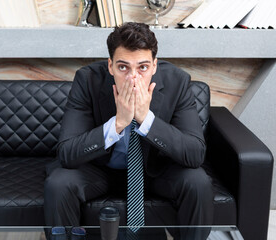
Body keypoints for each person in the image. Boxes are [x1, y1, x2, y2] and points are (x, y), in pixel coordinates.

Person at [44, 22, 214, 238]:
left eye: (142, 68)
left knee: (198, 182)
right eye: (123, 67)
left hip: (155, 170)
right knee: (59, 184)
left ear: (154, 66)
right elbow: (67, 152)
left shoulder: (177, 82)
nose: (133, 78)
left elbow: (195, 153)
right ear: (110, 66)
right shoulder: (87, 80)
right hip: (100, 168)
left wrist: (146, 120)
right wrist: (118, 123)